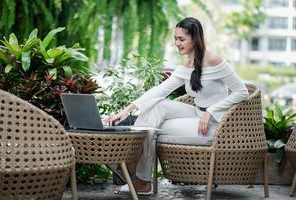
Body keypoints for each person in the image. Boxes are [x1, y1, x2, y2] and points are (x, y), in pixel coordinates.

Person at [104, 17, 249, 195]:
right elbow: (160, 90)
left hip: (216, 124)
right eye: (175, 39)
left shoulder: (214, 60)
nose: (177, 43)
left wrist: (211, 111)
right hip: (197, 114)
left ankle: (137, 172)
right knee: (157, 107)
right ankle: (138, 171)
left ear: (195, 38)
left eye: (181, 39)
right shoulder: (186, 65)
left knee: (152, 126)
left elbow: (242, 92)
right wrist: (125, 111)